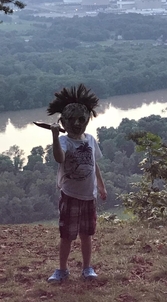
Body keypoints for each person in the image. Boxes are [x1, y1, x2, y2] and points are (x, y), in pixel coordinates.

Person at [47, 83, 107, 283]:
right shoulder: (64, 141)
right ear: (64, 121)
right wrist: (55, 136)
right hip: (71, 196)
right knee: (67, 236)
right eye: (72, 119)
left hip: (89, 197)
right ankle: (62, 269)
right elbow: (59, 158)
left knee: (86, 235)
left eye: (81, 119)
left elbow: (94, 163)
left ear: (87, 120)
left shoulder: (90, 139)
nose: (77, 123)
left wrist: (101, 185)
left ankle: (87, 267)